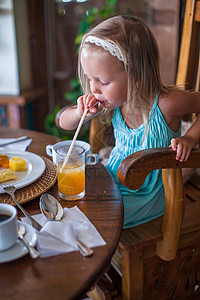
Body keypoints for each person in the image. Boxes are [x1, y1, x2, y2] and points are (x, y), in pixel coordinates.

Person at [57, 15, 200, 228]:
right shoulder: (115, 101)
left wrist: (189, 138)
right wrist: (79, 113)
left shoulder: (166, 105)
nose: (94, 89)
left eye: (103, 81)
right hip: (114, 179)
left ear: (137, 75)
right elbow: (62, 121)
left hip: (145, 196)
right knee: (65, 202)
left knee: (89, 219)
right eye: (89, 77)